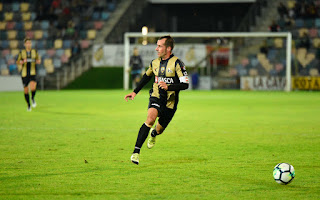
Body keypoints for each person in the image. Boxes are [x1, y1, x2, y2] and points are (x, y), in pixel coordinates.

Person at [124, 35, 189, 165]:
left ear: (168, 48)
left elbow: (185, 84)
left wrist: (168, 86)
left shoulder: (177, 63)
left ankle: (153, 134)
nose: (156, 49)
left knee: (159, 129)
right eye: (157, 45)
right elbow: (146, 77)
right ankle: (136, 152)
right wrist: (135, 92)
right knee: (150, 118)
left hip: (170, 103)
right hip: (156, 96)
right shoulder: (154, 63)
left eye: (160, 46)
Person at [16, 38, 41, 111]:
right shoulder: (22, 53)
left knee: (33, 87)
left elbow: (39, 61)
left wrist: (35, 61)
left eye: (29, 43)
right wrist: (21, 62)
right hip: (24, 74)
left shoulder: (34, 52)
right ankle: (28, 105)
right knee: (26, 90)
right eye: (27, 43)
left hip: (33, 72)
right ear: (24, 44)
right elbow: (18, 61)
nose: (28, 44)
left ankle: (32, 98)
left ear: (31, 44)